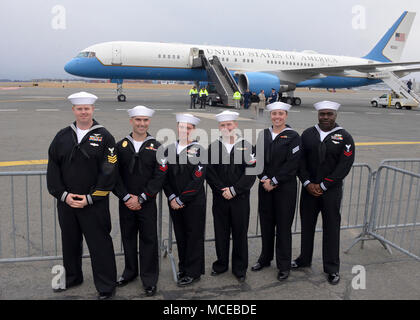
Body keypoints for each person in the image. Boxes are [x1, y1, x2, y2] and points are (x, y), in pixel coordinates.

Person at [47, 92, 117, 300]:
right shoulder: (61, 136)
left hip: (94, 203)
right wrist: (62, 195)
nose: (83, 111)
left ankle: (106, 286)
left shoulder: (105, 136)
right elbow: (53, 168)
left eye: (87, 108)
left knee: (100, 244)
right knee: (70, 242)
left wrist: (91, 197)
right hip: (67, 202)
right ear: (74, 110)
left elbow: (110, 170)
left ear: (93, 110)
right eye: (80, 108)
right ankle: (72, 277)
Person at [292, 101, 355, 285]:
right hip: (308, 190)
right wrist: (307, 182)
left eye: (329, 114)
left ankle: (332, 268)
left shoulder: (345, 137)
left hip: (331, 192)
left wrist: (325, 185)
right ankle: (304, 259)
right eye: (322, 114)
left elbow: (344, 166)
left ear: (335, 115)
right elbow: (300, 161)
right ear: (318, 115)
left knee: (331, 229)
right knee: (307, 227)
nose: (325, 117)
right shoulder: (308, 134)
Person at [113, 105, 166, 297]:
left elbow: (159, 176)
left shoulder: (157, 147)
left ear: (149, 122)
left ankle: (149, 279)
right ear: (131, 121)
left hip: (147, 203)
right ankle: (130, 272)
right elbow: (114, 175)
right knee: (127, 238)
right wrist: (126, 197)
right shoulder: (120, 146)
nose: (142, 124)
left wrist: (143, 197)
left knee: (149, 240)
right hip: (126, 202)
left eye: (145, 120)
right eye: (138, 120)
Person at [251, 102, 301, 282]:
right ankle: (265, 258)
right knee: (265, 224)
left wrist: (274, 180)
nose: (277, 117)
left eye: (280, 114)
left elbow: (292, 164)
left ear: (286, 116)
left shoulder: (293, 136)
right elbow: (255, 159)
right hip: (265, 187)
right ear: (270, 116)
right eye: (274, 114)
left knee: (283, 227)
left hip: (284, 189)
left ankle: (284, 265)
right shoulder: (263, 135)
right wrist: (263, 178)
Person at [206, 111, 256, 282]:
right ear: (219, 127)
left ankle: (239, 268)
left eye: (229, 124)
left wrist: (234, 190)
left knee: (240, 233)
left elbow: (251, 173)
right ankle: (221, 264)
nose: (226, 128)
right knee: (221, 232)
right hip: (220, 199)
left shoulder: (247, 146)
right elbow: (210, 173)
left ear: (235, 125)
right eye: (222, 125)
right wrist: (222, 190)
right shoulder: (213, 147)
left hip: (240, 199)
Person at [162, 114, 207, 286]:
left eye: (188, 128)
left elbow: (197, 179)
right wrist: (172, 196)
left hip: (193, 202)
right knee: (180, 236)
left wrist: (181, 199)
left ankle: (193, 272)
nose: (184, 131)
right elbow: (164, 177)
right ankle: (183, 267)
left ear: (193, 130)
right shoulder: (168, 150)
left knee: (193, 236)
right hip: (174, 202)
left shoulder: (200, 150)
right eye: (181, 127)